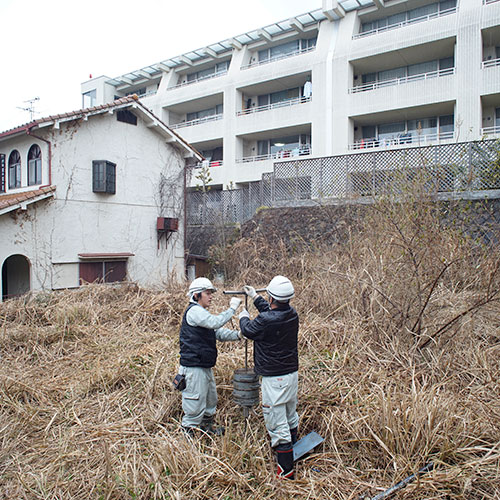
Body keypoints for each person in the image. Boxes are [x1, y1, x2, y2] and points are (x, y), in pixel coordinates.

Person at [238, 276, 299, 480]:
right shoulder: (292, 314)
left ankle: (286, 471)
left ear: (272, 297)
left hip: (275, 379)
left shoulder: (265, 321)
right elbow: (271, 314)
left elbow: (248, 330)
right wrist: (255, 297)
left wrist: (243, 316)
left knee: (276, 421)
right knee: (290, 414)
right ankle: (295, 452)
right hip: (291, 375)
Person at [179, 277, 242, 436]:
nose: (211, 296)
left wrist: (239, 335)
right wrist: (232, 309)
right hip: (193, 368)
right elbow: (215, 323)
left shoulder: (202, 314)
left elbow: (217, 333)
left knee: (209, 401)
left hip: (204, 365)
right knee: (194, 404)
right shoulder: (194, 312)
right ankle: (189, 441)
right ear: (196, 295)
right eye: (207, 293)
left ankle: (207, 429)